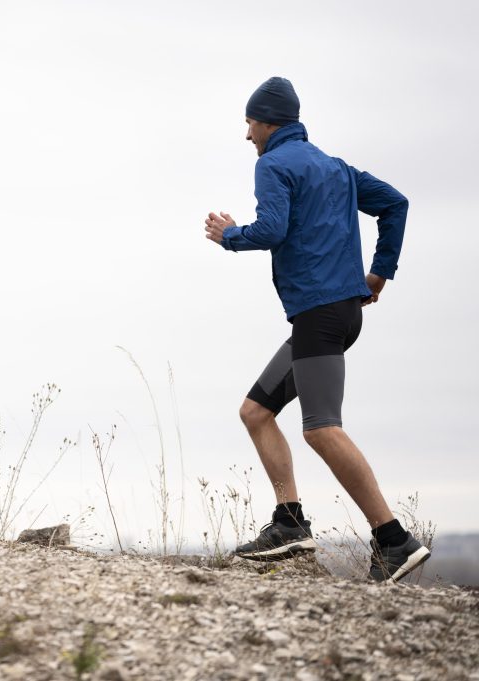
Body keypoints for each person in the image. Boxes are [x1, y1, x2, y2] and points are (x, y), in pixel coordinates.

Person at [203, 76, 429, 583]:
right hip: (337, 312)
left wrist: (229, 235)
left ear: (267, 122)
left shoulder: (273, 164)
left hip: (321, 314)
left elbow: (272, 229)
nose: (247, 136)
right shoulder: (336, 168)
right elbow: (396, 203)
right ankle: (289, 521)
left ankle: (393, 539)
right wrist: (379, 272)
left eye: (249, 124)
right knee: (256, 411)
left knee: (322, 428)